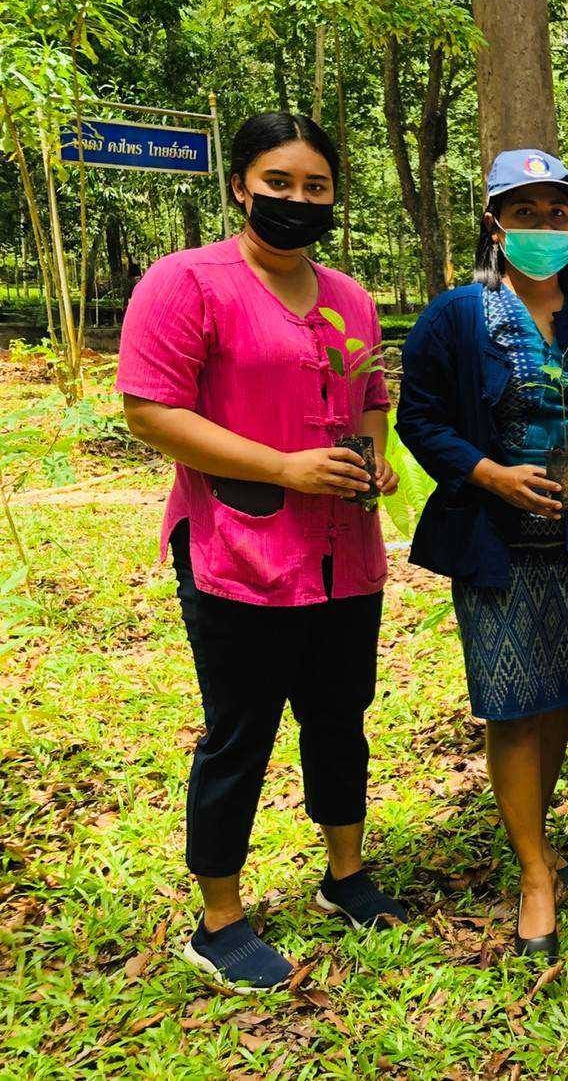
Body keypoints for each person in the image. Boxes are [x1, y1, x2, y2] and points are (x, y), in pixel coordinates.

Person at [117, 112, 407, 993]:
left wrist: (372, 457)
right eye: (278, 182)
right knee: (241, 731)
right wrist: (284, 465)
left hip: (340, 550)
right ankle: (221, 920)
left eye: (315, 187)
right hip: (236, 548)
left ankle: (344, 874)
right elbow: (150, 411)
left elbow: (369, 393)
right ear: (241, 185)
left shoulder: (350, 296)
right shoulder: (185, 284)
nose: (295, 200)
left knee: (339, 714)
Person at [396, 149, 568, 961]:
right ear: (495, 222)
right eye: (525, 212)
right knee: (509, 699)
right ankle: (535, 871)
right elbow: (419, 419)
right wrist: (489, 473)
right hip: (497, 540)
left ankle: (536, 825)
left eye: (556, 212)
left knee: (560, 689)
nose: (543, 227)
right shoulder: (457, 315)